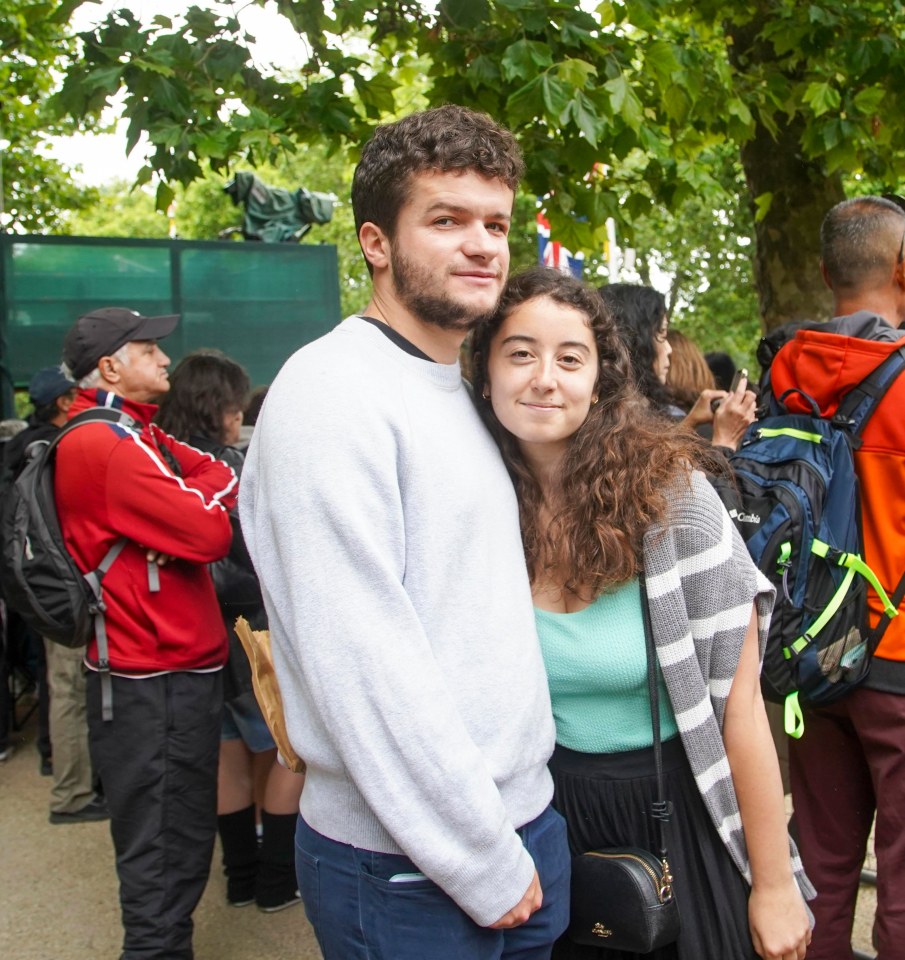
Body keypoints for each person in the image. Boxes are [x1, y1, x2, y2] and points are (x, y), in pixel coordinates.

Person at [240, 105, 571, 960]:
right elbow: (363, 669)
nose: (481, 245)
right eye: (446, 220)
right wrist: (481, 859)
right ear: (376, 243)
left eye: (494, 223)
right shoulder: (332, 395)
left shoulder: (450, 389)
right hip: (408, 867)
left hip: (513, 827)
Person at [472, 266, 814, 960]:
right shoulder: (474, 510)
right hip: (540, 821)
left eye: (570, 358)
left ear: (600, 380)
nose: (545, 377)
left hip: (675, 811)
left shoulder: (673, 502)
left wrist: (774, 884)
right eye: (519, 353)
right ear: (483, 374)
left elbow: (739, 709)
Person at [55, 307, 238, 960]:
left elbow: (221, 475)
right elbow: (214, 529)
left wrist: (194, 507)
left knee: (181, 835)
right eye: (148, 349)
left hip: (168, 672)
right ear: (109, 366)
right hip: (149, 679)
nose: (165, 359)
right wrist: (193, 515)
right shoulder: (106, 443)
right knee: (162, 849)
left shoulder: (135, 432)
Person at [768, 195, 905, 960]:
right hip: (897, 656)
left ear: (824, 273)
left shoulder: (782, 371)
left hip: (813, 656)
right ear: (901, 269)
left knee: (817, 862)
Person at [155, 350, 303, 913]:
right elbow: (259, 553)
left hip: (189, 636)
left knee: (226, 757)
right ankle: (274, 881)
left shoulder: (154, 462)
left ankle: (239, 877)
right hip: (250, 631)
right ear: (219, 407)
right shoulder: (226, 469)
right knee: (288, 752)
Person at [1, 366, 108, 823]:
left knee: (56, 682)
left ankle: (57, 761)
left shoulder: (20, 445)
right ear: (65, 404)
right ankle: (73, 794)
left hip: (31, 587)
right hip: (54, 584)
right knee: (68, 687)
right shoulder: (49, 449)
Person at [599, 283, 756, 450]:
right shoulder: (617, 426)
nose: (669, 349)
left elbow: (660, 453)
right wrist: (725, 440)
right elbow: (671, 474)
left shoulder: (611, 413)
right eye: (661, 334)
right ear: (636, 341)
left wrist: (690, 422)